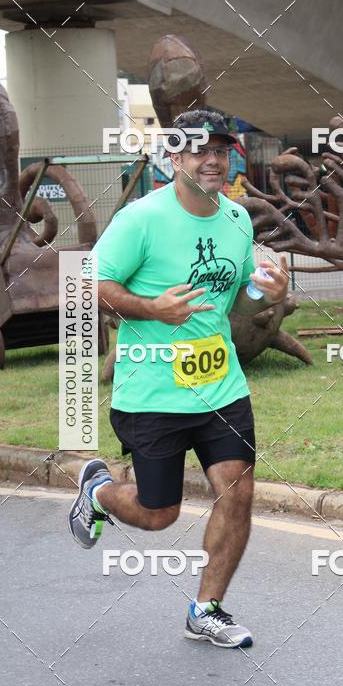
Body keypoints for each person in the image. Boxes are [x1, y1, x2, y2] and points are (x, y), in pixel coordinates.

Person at [68, 110, 289, 648]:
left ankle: (206, 610)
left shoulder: (236, 219)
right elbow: (90, 284)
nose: (212, 160)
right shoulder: (141, 219)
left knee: (237, 492)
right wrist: (150, 308)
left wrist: (266, 294)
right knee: (158, 513)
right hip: (152, 392)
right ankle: (98, 492)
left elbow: (235, 299)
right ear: (174, 158)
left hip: (221, 386)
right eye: (199, 151)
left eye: (220, 150)